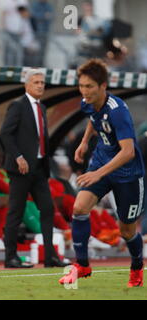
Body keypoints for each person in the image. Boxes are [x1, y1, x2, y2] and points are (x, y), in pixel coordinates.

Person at [59, 59, 145, 287]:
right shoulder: (87, 102)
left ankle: (137, 266)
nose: (84, 92)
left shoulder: (118, 113)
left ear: (103, 86)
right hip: (101, 162)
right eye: (82, 85)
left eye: (89, 87)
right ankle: (83, 265)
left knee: (126, 231)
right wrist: (85, 142)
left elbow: (127, 152)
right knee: (79, 207)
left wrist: (98, 174)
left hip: (127, 173)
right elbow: (93, 118)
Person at [0, 68, 69, 269]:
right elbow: (6, 134)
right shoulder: (18, 105)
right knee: (16, 212)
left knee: (47, 209)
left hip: (39, 168)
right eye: (36, 82)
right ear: (27, 85)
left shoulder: (42, 107)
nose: (40, 85)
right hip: (21, 168)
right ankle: (11, 257)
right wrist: (18, 157)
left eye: (42, 83)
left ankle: (50, 257)